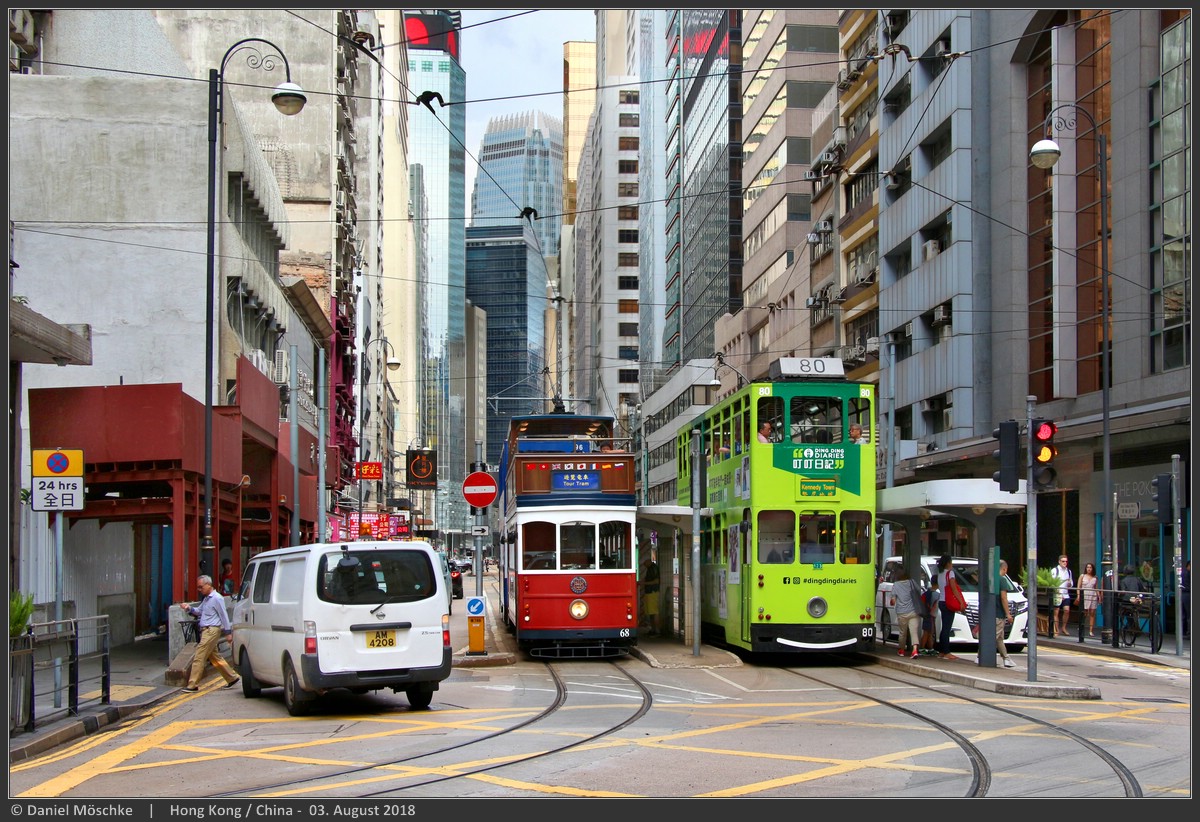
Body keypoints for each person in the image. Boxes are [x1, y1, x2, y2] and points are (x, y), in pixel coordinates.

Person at [180, 574, 239, 691]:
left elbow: (224, 615)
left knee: (199, 656)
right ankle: (232, 678)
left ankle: (192, 685)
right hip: (206, 630)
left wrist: (228, 632)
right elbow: (198, 611)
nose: (199, 590)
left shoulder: (217, 598)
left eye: (201, 587)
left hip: (211, 630)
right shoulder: (206, 599)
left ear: (208, 585)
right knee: (215, 658)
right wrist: (188, 608)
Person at [889, 567, 922, 659]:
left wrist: (892, 601)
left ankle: (901, 650)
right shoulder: (911, 582)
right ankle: (915, 650)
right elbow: (919, 591)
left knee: (902, 633)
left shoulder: (896, 585)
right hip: (913, 611)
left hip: (902, 612)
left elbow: (893, 601)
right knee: (914, 632)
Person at [935, 555, 959, 659]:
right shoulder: (950, 573)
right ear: (948, 563)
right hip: (949, 602)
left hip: (941, 601)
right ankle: (946, 651)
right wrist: (960, 601)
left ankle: (941, 650)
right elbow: (954, 589)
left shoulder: (940, 574)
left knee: (944, 626)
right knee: (947, 627)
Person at [994, 560, 1017, 667]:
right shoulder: (1002, 580)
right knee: (993, 637)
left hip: (991, 613)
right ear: (1004, 569)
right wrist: (1008, 614)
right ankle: (981, 655)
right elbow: (1004, 597)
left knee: (999, 638)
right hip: (999, 613)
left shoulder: (991, 578)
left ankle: (1006, 658)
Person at [1074, 562, 1099, 639]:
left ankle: (1091, 630)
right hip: (1084, 594)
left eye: (1090, 567)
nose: (1089, 569)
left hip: (1093, 595)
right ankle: (1081, 626)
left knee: (1092, 612)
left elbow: (1096, 587)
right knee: (1084, 612)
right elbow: (1078, 587)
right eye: (1087, 567)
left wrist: (1099, 595)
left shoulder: (1095, 577)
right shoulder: (1082, 576)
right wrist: (1078, 595)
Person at [1051, 554, 1074, 636]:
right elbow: (1052, 583)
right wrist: (1058, 593)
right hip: (1057, 594)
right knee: (1056, 612)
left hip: (1066, 593)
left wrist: (1069, 583)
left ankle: (1064, 627)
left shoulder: (1068, 571)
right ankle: (1056, 629)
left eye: (1066, 561)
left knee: (1067, 610)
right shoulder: (1055, 570)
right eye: (1063, 561)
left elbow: (1071, 584)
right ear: (1059, 561)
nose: (1065, 563)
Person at [640, 554, 660, 636]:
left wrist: (644, 583)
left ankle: (657, 631)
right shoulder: (649, 568)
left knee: (654, 612)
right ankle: (653, 629)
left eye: (644, 563)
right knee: (651, 612)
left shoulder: (653, 568)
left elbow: (656, 581)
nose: (644, 565)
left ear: (648, 561)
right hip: (649, 593)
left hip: (653, 592)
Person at [919, 577, 940, 654]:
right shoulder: (937, 595)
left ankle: (930, 648)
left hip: (926, 614)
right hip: (931, 615)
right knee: (927, 632)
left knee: (929, 632)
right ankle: (922, 648)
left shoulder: (925, 593)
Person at [1181, 560, 1190, 639]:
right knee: (1189, 615)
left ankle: (1182, 632)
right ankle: (1189, 632)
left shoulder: (1182, 573)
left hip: (1182, 594)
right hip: (1188, 594)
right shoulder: (1189, 574)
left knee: (1183, 614)